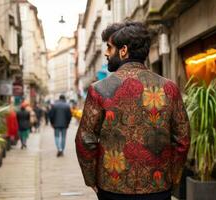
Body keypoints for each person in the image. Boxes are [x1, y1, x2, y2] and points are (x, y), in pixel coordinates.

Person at [75, 21, 190, 200]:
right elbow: (182, 139)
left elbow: (85, 140)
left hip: (113, 187)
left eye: (109, 48)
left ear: (123, 51)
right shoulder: (169, 88)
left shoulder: (99, 89)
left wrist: (93, 180)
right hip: (158, 187)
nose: (106, 53)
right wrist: (172, 179)